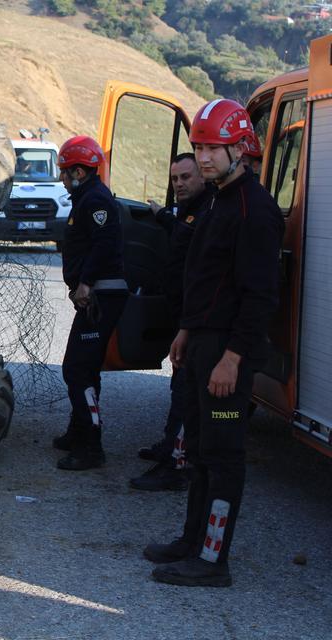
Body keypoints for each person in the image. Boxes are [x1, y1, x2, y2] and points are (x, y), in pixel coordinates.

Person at [146, 99, 284, 588]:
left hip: (229, 354)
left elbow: (259, 295)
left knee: (223, 458)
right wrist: (186, 330)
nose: (203, 158)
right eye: (199, 147)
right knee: (201, 450)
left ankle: (212, 560)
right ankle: (191, 542)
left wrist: (233, 358)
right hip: (204, 344)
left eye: (213, 148)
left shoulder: (254, 210)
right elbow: (204, 279)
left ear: (240, 148)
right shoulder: (218, 201)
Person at [131, 153, 214, 492]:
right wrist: (162, 214)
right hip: (184, 317)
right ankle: (170, 447)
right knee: (178, 385)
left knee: (185, 395)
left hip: (197, 321)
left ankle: (176, 467)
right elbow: (180, 229)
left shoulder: (210, 211)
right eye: (175, 178)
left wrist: (189, 325)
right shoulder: (191, 211)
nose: (179, 184)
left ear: (202, 178)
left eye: (185, 177)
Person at [53, 135, 128, 471]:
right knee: (85, 367)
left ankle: (91, 446)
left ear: (81, 171)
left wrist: (85, 283)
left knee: (77, 368)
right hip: (95, 295)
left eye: (66, 171)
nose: (62, 178)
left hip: (101, 295)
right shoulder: (87, 198)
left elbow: (104, 243)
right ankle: (78, 431)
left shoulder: (95, 200)